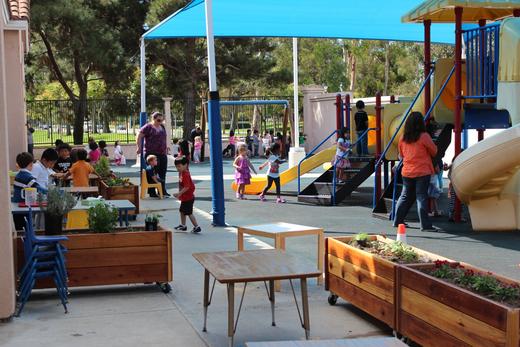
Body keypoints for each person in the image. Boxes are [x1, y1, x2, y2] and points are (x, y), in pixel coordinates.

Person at [392, 112, 438, 232]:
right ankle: (425, 225)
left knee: (404, 196)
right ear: (421, 123)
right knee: (421, 197)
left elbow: (401, 155)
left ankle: (397, 220)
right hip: (422, 171)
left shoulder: (403, 137)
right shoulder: (424, 136)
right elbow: (434, 151)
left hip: (407, 172)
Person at [136, 111, 170, 196]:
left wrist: (167, 146)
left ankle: (162, 190)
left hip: (162, 152)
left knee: (163, 171)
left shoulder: (162, 127)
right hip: (151, 153)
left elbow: (164, 138)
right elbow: (139, 136)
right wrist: (139, 147)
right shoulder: (148, 127)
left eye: (161, 120)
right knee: (152, 172)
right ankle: (152, 192)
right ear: (153, 119)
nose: (160, 122)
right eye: (158, 120)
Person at [12, 152, 48, 230]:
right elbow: (38, 188)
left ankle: (20, 241)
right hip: (23, 206)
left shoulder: (18, 175)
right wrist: (51, 192)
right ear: (31, 164)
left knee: (19, 228)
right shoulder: (27, 177)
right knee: (26, 227)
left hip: (16, 204)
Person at [173, 156, 201, 233]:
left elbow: (187, 187)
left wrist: (179, 193)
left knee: (188, 212)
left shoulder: (185, 174)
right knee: (182, 211)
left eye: (179, 166)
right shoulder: (181, 173)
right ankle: (183, 225)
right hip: (185, 197)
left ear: (185, 165)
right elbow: (181, 184)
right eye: (176, 167)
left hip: (188, 197)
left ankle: (196, 226)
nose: (177, 168)